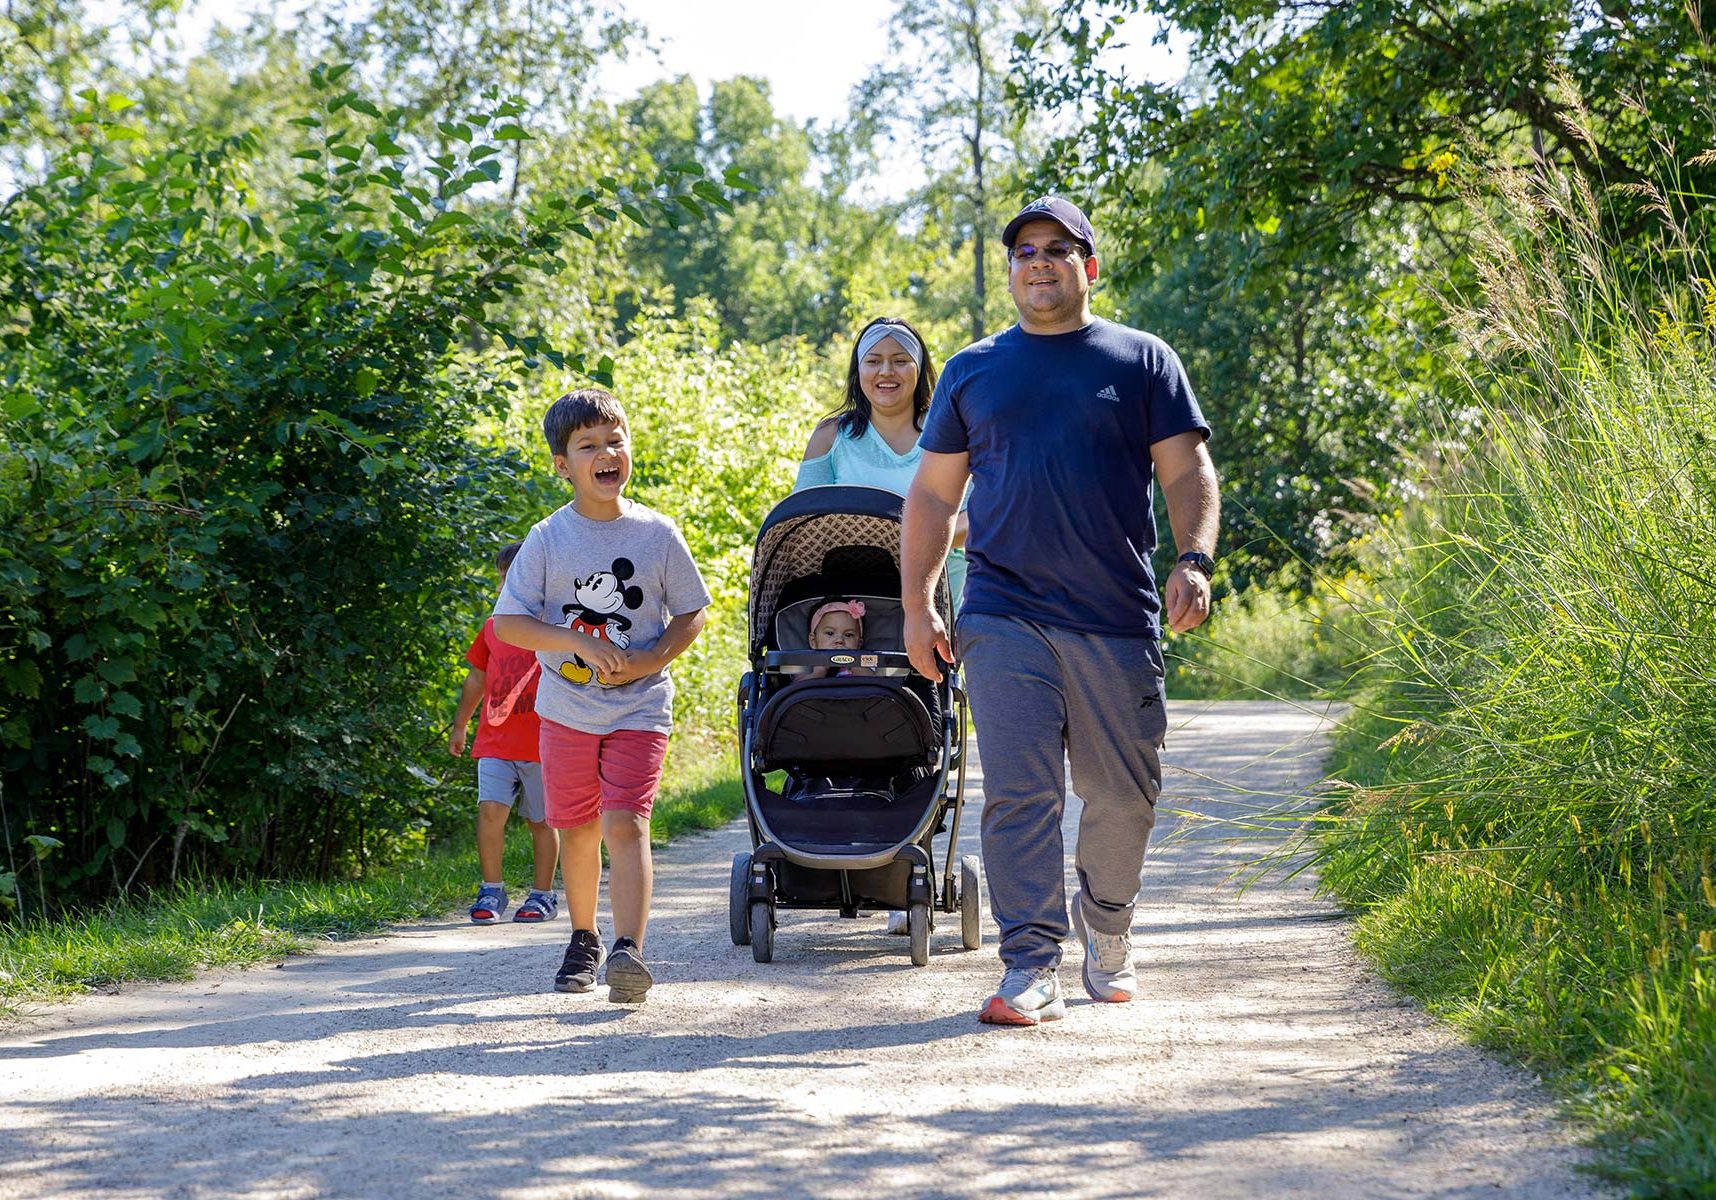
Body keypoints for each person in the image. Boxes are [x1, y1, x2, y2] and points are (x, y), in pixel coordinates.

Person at [901, 196, 1220, 1026]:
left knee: (1123, 794)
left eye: (1056, 248)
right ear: (1011, 271)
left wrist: (1193, 559)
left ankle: (1107, 926)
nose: (1038, 262)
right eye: (1024, 252)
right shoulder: (973, 370)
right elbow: (932, 497)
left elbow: (1187, 472)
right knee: (1020, 792)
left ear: (1089, 266)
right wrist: (917, 604)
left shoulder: (1142, 360)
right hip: (1002, 610)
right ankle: (1029, 961)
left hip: (1116, 616)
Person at [492, 388, 712, 1005]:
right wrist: (574, 641)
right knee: (579, 828)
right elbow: (508, 623)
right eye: (588, 445)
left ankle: (628, 950)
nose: (606, 453)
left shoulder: (657, 533)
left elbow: (692, 611)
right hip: (565, 710)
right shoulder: (547, 538)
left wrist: (650, 659)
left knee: (627, 821)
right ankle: (584, 938)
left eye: (615, 441)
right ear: (563, 465)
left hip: (640, 705)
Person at [796, 316, 969, 606]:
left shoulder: (951, 432)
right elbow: (803, 525)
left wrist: (905, 542)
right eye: (873, 361)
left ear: (919, 369)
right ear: (858, 370)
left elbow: (976, 518)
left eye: (900, 361)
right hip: (855, 603)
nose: (886, 372)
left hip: (942, 600)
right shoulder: (830, 436)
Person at [449, 540, 558, 924]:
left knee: (541, 821)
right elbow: (477, 678)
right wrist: (460, 724)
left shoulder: (556, 630)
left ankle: (542, 895)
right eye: (501, 578)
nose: (502, 586)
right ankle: (491, 890)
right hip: (495, 740)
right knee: (490, 811)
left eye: (512, 578)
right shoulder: (494, 628)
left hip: (543, 744)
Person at [805, 598, 874, 678]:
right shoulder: (808, 663)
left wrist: (854, 663)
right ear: (813, 641)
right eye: (830, 633)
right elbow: (800, 683)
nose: (839, 640)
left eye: (848, 635)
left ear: (859, 644)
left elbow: (877, 683)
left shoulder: (865, 662)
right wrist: (822, 666)